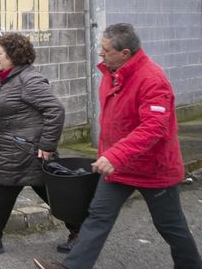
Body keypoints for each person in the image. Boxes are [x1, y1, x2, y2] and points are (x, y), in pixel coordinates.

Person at [34, 23, 202, 269]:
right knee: (98, 216)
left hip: (152, 169)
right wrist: (110, 156)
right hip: (118, 167)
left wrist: (115, 155)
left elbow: (154, 127)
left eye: (105, 49)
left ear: (125, 53)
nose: (100, 53)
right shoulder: (112, 73)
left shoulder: (152, 80)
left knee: (170, 225)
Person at [0, 32, 77, 255]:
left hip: (24, 152)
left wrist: (47, 146)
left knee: (5, 191)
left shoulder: (29, 80)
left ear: (13, 55)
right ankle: (80, 233)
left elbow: (55, 110)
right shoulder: (5, 78)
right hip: (18, 149)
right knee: (50, 193)